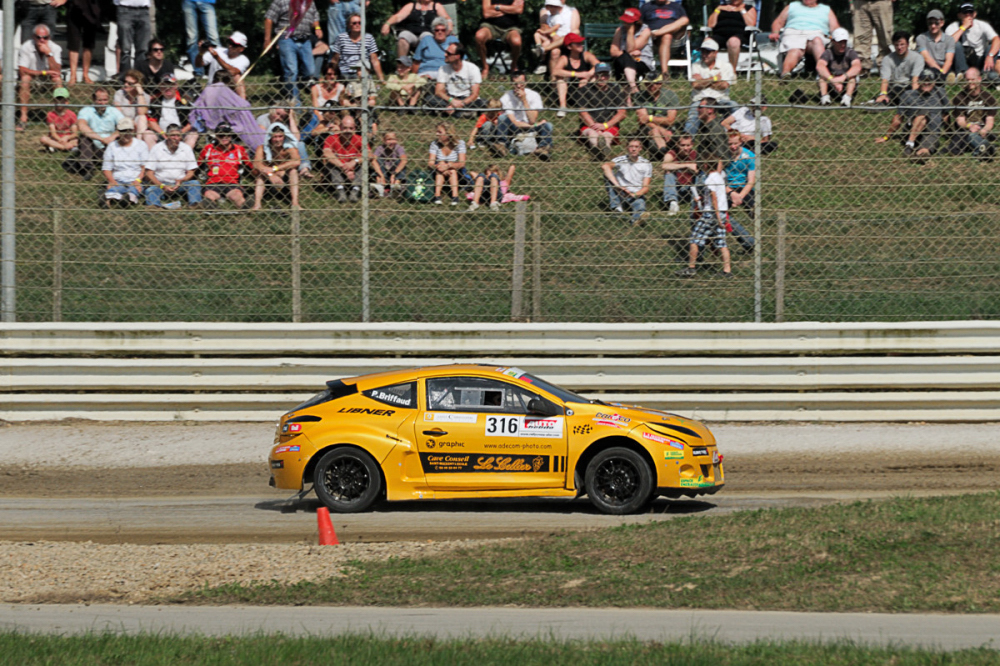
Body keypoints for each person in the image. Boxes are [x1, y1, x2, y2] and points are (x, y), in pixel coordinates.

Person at [875, 69, 948, 161]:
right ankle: (909, 144)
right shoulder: (908, 95)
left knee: (926, 148)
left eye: (929, 81)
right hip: (911, 128)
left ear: (934, 82)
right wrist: (886, 136)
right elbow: (898, 118)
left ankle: (921, 154)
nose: (926, 83)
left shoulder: (941, 93)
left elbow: (945, 115)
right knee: (923, 112)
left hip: (931, 132)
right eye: (924, 80)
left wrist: (949, 132)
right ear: (918, 81)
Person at [677, 156, 732, 278]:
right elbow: (716, 195)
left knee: (694, 239)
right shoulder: (719, 177)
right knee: (721, 243)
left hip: (711, 213)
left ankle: (691, 268)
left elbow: (714, 198)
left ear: (706, 165)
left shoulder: (709, 179)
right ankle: (727, 270)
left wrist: (716, 216)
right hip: (722, 212)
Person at [264, 0, 323, 98]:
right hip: (287, 39)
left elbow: (315, 17)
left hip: (305, 40)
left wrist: (317, 28)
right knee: (291, 71)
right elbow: (269, 18)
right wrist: (267, 40)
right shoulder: (280, 1)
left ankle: (294, 84)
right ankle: (294, 103)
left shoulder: (309, 2)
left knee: (311, 71)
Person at [769, 0, 839, 80]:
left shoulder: (826, 9)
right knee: (795, 49)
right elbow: (778, 22)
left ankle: (823, 73)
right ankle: (785, 73)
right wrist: (775, 32)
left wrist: (837, 37)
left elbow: (835, 27)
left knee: (817, 41)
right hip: (794, 32)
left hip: (816, 33)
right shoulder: (792, 6)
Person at [496, 70, 553, 160]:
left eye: (521, 83)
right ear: (511, 83)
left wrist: (524, 100)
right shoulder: (506, 97)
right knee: (502, 118)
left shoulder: (534, 95)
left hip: (530, 125)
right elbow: (514, 122)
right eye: (515, 84)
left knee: (548, 125)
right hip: (514, 127)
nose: (518, 86)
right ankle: (501, 145)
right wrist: (534, 125)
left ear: (526, 82)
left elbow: (532, 119)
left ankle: (543, 148)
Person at [144, 124, 203, 209]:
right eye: (172, 135)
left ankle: (194, 204)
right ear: (167, 136)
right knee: (150, 190)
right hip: (161, 185)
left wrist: (182, 180)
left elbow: (191, 171)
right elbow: (149, 173)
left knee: (195, 184)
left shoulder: (186, 148)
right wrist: (162, 185)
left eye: (178, 135)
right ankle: (155, 207)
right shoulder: (157, 148)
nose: (176, 138)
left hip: (180, 184)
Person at [685, 38, 736, 135]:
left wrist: (702, 81)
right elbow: (695, 85)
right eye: (703, 51)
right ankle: (687, 142)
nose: (704, 55)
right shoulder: (696, 65)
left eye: (707, 52)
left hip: (721, 99)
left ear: (715, 53)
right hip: (700, 100)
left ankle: (735, 137)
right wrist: (714, 79)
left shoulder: (726, 66)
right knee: (692, 117)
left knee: (735, 108)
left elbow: (724, 85)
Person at [577, 62, 627, 160]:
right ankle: (596, 148)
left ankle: (604, 148)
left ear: (609, 76)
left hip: (609, 125)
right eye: (599, 75)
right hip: (590, 125)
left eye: (605, 75)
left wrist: (606, 125)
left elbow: (622, 113)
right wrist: (594, 126)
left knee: (607, 136)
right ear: (595, 75)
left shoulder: (615, 89)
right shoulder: (585, 90)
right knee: (592, 134)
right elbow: (582, 112)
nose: (602, 78)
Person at [17, 24, 63, 131]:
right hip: (33, 77)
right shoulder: (26, 47)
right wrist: (44, 72)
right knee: (25, 80)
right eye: (38, 37)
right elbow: (22, 70)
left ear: (49, 37)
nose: (42, 40)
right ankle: (23, 118)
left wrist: (49, 54)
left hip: (47, 79)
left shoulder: (55, 48)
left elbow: (57, 71)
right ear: (33, 37)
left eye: (45, 37)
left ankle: (60, 116)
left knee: (57, 80)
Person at [74, 87, 125, 180]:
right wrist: (100, 138)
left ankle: (117, 165)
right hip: (93, 145)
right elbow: (82, 126)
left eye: (105, 100)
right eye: (99, 100)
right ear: (94, 100)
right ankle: (87, 168)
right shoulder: (86, 111)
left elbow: (124, 125)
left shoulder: (114, 111)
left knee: (121, 135)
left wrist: (112, 137)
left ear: (109, 99)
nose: (103, 103)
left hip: (110, 144)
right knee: (84, 138)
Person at [199, 123, 252, 209]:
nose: (225, 137)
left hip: (232, 183)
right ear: (216, 136)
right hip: (213, 183)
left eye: (227, 135)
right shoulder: (208, 149)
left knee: (237, 195)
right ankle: (212, 207)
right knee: (209, 195)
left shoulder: (239, 149)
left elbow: (250, 166)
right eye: (221, 135)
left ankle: (244, 206)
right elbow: (196, 166)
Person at [100, 117, 149, 208]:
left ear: (132, 131)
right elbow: (106, 168)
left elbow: (144, 167)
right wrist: (112, 181)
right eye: (123, 131)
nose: (126, 134)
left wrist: (137, 180)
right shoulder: (112, 146)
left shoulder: (141, 145)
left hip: (135, 178)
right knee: (114, 189)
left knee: (133, 190)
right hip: (118, 179)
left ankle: (127, 200)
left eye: (128, 131)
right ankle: (108, 200)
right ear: (118, 131)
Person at [948, 67, 995, 159]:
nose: (970, 82)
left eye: (972, 79)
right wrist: (970, 126)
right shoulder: (960, 97)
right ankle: (983, 148)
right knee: (959, 144)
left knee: (981, 135)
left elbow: (990, 119)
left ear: (979, 79)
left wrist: (985, 130)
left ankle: (981, 148)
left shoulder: (988, 97)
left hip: (981, 127)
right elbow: (960, 121)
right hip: (965, 129)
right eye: (968, 80)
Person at [602, 138, 652, 226]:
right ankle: (617, 208)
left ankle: (636, 220)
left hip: (635, 193)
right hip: (620, 191)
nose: (633, 149)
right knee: (608, 176)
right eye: (631, 146)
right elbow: (605, 166)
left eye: (636, 147)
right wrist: (618, 186)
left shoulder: (646, 164)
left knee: (640, 206)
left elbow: (646, 187)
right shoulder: (621, 160)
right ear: (627, 148)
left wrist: (635, 195)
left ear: (640, 148)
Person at [427, 43, 485, 115]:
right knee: (429, 99)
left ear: (457, 56)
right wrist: (452, 101)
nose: (445, 55)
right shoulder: (443, 69)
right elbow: (438, 92)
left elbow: (475, 94)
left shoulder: (472, 68)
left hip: (466, 98)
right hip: (449, 98)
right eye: (446, 52)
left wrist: (462, 103)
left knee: (483, 102)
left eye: (449, 53)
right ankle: (462, 112)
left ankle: (447, 111)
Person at [723, 130, 756, 252]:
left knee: (755, 209)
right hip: (727, 188)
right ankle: (747, 241)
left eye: (736, 143)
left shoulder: (749, 156)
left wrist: (740, 197)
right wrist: (731, 193)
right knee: (721, 214)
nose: (733, 147)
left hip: (744, 188)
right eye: (730, 144)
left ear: (741, 142)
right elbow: (718, 179)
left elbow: (751, 181)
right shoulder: (723, 156)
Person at [252, 126, 301, 210]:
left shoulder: (289, 148)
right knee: (260, 176)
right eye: (275, 137)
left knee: (293, 171)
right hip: (269, 180)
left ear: (284, 137)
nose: (278, 140)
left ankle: (295, 204)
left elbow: (296, 161)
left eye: (280, 136)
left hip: (284, 179)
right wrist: (270, 174)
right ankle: (257, 205)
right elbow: (257, 164)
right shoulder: (262, 148)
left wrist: (275, 168)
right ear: (270, 138)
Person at [322, 115, 369, 202]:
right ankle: (340, 189)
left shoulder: (360, 139)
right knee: (330, 162)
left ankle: (355, 189)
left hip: (355, 171)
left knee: (365, 162)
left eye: (351, 128)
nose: (348, 131)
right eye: (345, 128)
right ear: (340, 127)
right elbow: (326, 153)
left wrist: (354, 162)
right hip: (339, 170)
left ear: (355, 128)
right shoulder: (331, 138)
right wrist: (343, 166)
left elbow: (369, 154)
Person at [946, 3, 1000, 78]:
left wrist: (990, 56)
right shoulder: (952, 27)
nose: (968, 15)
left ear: (974, 14)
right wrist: (964, 27)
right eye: (965, 13)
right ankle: (962, 75)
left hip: (980, 59)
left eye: (970, 13)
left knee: (991, 47)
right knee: (956, 44)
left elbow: (997, 39)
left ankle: (986, 76)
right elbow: (948, 43)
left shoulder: (982, 25)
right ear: (959, 15)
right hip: (962, 60)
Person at [382, 0, 451, 59]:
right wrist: (387, 24)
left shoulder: (436, 6)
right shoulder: (411, 6)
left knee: (426, 36)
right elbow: (398, 16)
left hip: (428, 34)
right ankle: (402, 64)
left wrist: (449, 25)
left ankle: (425, 63)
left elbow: (446, 18)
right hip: (412, 34)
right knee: (403, 36)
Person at [551, 32, 598, 116]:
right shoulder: (564, 58)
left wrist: (588, 74)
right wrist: (577, 74)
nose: (581, 45)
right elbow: (556, 71)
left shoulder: (586, 55)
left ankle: (587, 105)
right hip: (570, 91)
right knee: (560, 79)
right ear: (569, 47)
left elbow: (599, 65)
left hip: (585, 88)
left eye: (581, 43)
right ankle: (563, 107)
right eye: (577, 43)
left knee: (594, 77)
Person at [634, 74, 680, 159]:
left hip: (667, 127)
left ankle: (663, 150)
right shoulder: (639, 96)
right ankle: (663, 150)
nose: (651, 87)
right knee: (654, 130)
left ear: (660, 83)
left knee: (656, 132)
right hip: (648, 127)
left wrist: (650, 118)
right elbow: (643, 120)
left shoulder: (670, 95)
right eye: (647, 84)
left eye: (654, 84)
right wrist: (661, 130)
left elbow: (670, 120)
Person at [871, 31, 923, 106]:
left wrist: (915, 96)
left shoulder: (917, 58)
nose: (899, 47)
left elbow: (915, 79)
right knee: (885, 100)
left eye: (902, 44)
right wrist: (883, 93)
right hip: (894, 88)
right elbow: (885, 79)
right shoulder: (887, 59)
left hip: (909, 87)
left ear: (908, 44)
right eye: (896, 45)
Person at [475, 0, 524, 80]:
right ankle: (485, 67)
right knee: (479, 36)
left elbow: (518, 10)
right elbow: (486, 14)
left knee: (517, 42)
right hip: (490, 26)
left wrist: (497, 7)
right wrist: (510, 10)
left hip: (511, 27)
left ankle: (513, 65)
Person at [640, 0, 690, 79]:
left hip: (675, 39)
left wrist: (658, 33)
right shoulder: (646, 6)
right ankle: (665, 72)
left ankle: (659, 32)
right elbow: (638, 24)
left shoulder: (676, 6)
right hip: (653, 41)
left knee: (684, 20)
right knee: (667, 36)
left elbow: (685, 21)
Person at [610, 8, 655, 93]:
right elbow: (613, 51)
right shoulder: (619, 30)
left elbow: (630, 48)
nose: (624, 23)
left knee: (624, 60)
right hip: (623, 60)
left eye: (628, 22)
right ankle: (633, 87)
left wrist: (630, 31)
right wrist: (628, 54)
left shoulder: (645, 31)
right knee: (623, 58)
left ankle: (630, 92)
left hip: (641, 61)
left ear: (636, 22)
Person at [331, 13, 385, 82]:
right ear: (349, 25)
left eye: (360, 23)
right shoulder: (341, 38)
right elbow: (335, 59)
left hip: (362, 73)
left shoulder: (369, 38)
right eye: (354, 23)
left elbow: (374, 60)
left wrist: (381, 79)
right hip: (345, 73)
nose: (357, 25)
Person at [147, 73, 197, 148]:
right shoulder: (156, 101)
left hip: (181, 132)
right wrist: (162, 133)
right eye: (164, 85)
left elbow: (192, 120)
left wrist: (180, 133)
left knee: (193, 134)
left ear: (176, 86)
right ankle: (155, 157)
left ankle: (185, 157)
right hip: (161, 133)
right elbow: (151, 121)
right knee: (147, 134)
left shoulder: (184, 101)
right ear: (160, 87)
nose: (167, 88)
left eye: (171, 85)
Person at [708, 0, 757, 74]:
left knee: (733, 42)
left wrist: (742, 10)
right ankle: (708, 73)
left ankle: (732, 72)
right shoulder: (720, 8)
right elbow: (710, 25)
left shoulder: (748, 8)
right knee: (707, 42)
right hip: (719, 36)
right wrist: (717, 10)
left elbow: (751, 24)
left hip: (740, 36)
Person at [817, 27, 862, 107]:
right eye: (840, 42)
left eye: (844, 42)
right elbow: (820, 66)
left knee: (853, 77)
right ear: (833, 41)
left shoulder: (850, 52)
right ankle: (825, 97)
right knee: (821, 76)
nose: (843, 45)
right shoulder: (828, 53)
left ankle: (847, 98)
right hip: (830, 81)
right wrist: (832, 80)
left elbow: (857, 67)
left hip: (845, 81)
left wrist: (842, 78)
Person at [428, 122, 471, 205]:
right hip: (439, 170)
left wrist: (448, 166)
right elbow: (430, 163)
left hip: (456, 171)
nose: (436, 134)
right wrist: (439, 166)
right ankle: (437, 195)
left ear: (448, 133)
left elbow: (462, 163)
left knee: (452, 170)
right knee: (440, 164)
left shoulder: (459, 143)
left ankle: (455, 196)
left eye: (439, 132)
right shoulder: (434, 144)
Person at [532, 0, 579, 74]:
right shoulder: (545, 10)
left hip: (566, 39)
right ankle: (554, 80)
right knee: (555, 52)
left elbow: (574, 29)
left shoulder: (572, 11)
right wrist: (553, 35)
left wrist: (560, 38)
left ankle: (543, 50)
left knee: (574, 33)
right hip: (552, 39)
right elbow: (544, 26)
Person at [197, 31, 249, 98]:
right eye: (230, 42)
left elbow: (233, 72)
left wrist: (217, 57)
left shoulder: (244, 60)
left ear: (241, 49)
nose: (230, 46)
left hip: (229, 93)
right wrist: (201, 53)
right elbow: (198, 64)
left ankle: (242, 105)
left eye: (234, 45)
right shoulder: (219, 50)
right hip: (211, 90)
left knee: (237, 76)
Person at [67, 0, 104, 85]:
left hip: (91, 9)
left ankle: (85, 75)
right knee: (73, 43)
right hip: (74, 8)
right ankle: (73, 76)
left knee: (89, 43)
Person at [661, 133, 697, 216]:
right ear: (677, 145)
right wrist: (686, 165)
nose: (685, 148)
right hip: (677, 189)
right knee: (668, 173)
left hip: (691, 188)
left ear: (692, 145)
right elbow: (664, 165)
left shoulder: (695, 154)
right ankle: (673, 203)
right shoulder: (672, 153)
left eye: (688, 145)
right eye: (682, 145)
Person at [916, 10, 956, 82]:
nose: (933, 26)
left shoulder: (949, 39)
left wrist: (942, 73)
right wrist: (940, 74)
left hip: (944, 68)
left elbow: (949, 61)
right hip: (928, 67)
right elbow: (927, 58)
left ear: (942, 23)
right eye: (930, 23)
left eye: (936, 23)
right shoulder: (921, 38)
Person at [114, 0, 152, 73]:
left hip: (144, 10)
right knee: (125, 49)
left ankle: (140, 79)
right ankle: (126, 79)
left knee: (143, 49)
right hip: (124, 9)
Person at [183, 0, 219, 77]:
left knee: (214, 38)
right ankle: (198, 72)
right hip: (189, 2)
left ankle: (220, 71)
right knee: (191, 38)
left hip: (207, 2)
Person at [113, 69, 150, 142]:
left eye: (130, 83)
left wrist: (140, 93)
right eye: (125, 82)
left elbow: (141, 112)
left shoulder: (145, 96)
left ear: (138, 85)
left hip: (136, 128)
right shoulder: (119, 93)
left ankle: (138, 143)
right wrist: (130, 122)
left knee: (142, 118)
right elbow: (117, 112)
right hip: (121, 123)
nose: (126, 85)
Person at [40, 87, 78, 153]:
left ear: (66, 102)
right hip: (55, 139)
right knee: (43, 139)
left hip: (68, 139)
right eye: (57, 100)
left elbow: (75, 133)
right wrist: (61, 140)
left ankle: (56, 147)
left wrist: (66, 138)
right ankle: (64, 148)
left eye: (62, 100)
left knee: (78, 141)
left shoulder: (72, 114)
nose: (59, 102)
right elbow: (53, 133)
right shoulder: (50, 114)